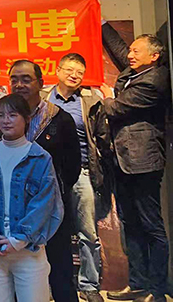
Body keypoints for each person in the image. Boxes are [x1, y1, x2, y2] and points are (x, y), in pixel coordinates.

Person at [100, 31, 170, 302]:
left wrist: (107, 96)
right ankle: (138, 284)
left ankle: (158, 289)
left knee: (151, 225)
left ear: (154, 56)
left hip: (143, 161)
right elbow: (120, 49)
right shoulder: (136, 71)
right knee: (130, 224)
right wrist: (102, 24)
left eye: (136, 51)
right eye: (130, 51)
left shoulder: (154, 80)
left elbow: (115, 109)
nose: (129, 55)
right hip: (122, 161)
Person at [0, 94, 64, 302]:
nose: (5, 120)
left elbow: (45, 204)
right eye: (0, 115)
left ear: (27, 118)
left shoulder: (40, 157)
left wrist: (19, 239)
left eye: (12, 115)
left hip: (28, 249)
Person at [42, 53, 112, 302]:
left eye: (80, 72)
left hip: (82, 172)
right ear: (58, 71)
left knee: (87, 232)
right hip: (47, 175)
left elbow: (102, 137)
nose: (74, 75)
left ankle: (89, 285)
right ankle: (49, 284)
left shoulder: (90, 100)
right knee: (48, 231)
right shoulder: (43, 98)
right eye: (69, 70)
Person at [9, 60, 81, 302]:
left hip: (52, 209)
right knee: (20, 275)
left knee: (60, 273)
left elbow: (72, 167)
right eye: (14, 79)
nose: (19, 84)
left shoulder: (59, 119)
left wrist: (50, 193)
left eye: (26, 79)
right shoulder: (5, 119)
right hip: (15, 211)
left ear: (40, 83)